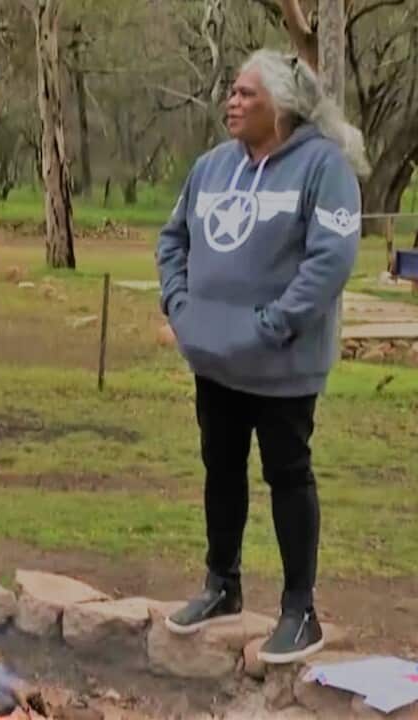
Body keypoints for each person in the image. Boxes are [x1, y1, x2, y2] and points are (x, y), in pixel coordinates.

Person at [156, 49, 368, 664]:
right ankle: (222, 584)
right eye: (231, 91)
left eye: (247, 93)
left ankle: (300, 611)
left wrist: (276, 324)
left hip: (282, 364)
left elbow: (330, 260)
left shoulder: (323, 168)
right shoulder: (211, 167)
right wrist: (179, 304)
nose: (233, 101)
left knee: (287, 475)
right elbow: (173, 238)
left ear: (281, 105)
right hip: (215, 359)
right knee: (220, 469)